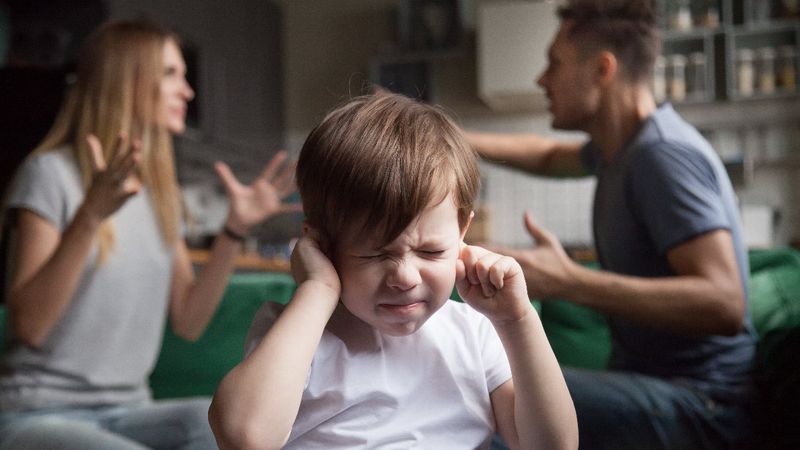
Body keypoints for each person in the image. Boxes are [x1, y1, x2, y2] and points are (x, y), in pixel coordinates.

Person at [208, 93, 578, 450]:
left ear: (462, 230)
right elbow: (245, 438)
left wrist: (518, 321)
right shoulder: (296, 335)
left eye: (431, 251)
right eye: (374, 254)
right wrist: (318, 289)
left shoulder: (474, 332)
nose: (405, 277)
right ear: (321, 245)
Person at [465, 0, 756, 448]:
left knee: (501, 401)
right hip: (660, 385)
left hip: (705, 404)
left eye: (554, 64)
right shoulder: (617, 150)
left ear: (603, 69)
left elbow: (726, 302)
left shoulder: (660, 156)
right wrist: (442, 133)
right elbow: (543, 154)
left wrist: (568, 281)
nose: (542, 79)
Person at [0, 21, 300, 449]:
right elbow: (28, 326)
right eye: (171, 74)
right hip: (37, 412)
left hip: (130, 409)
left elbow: (189, 321)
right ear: (128, 81)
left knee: (222, 429)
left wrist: (233, 230)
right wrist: (90, 216)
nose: (188, 92)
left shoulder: (161, 193)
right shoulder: (50, 173)